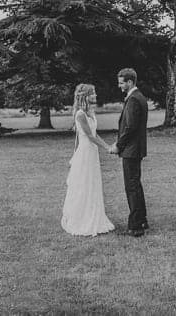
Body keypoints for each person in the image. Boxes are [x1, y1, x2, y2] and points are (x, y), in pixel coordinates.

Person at [61, 84, 115, 236]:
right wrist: (108, 148)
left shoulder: (91, 112)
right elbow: (89, 137)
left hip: (93, 152)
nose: (95, 96)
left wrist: (108, 146)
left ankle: (95, 215)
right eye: (93, 93)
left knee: (93, 182)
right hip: (85, 153)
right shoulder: (80, 114)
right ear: (85, 96)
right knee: (84, 184)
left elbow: (95, 134)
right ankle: (82, 219)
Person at [108, 68, 149, 237]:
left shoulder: (133, 99)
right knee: (135, 185)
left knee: (131, 187)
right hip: (136, 149)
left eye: (121, 83)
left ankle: (135, 227)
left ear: (130, 82)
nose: (119, 86)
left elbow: (130, 127)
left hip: (131, 150)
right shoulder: (138, 97)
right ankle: (142, 220)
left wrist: (118, 145)